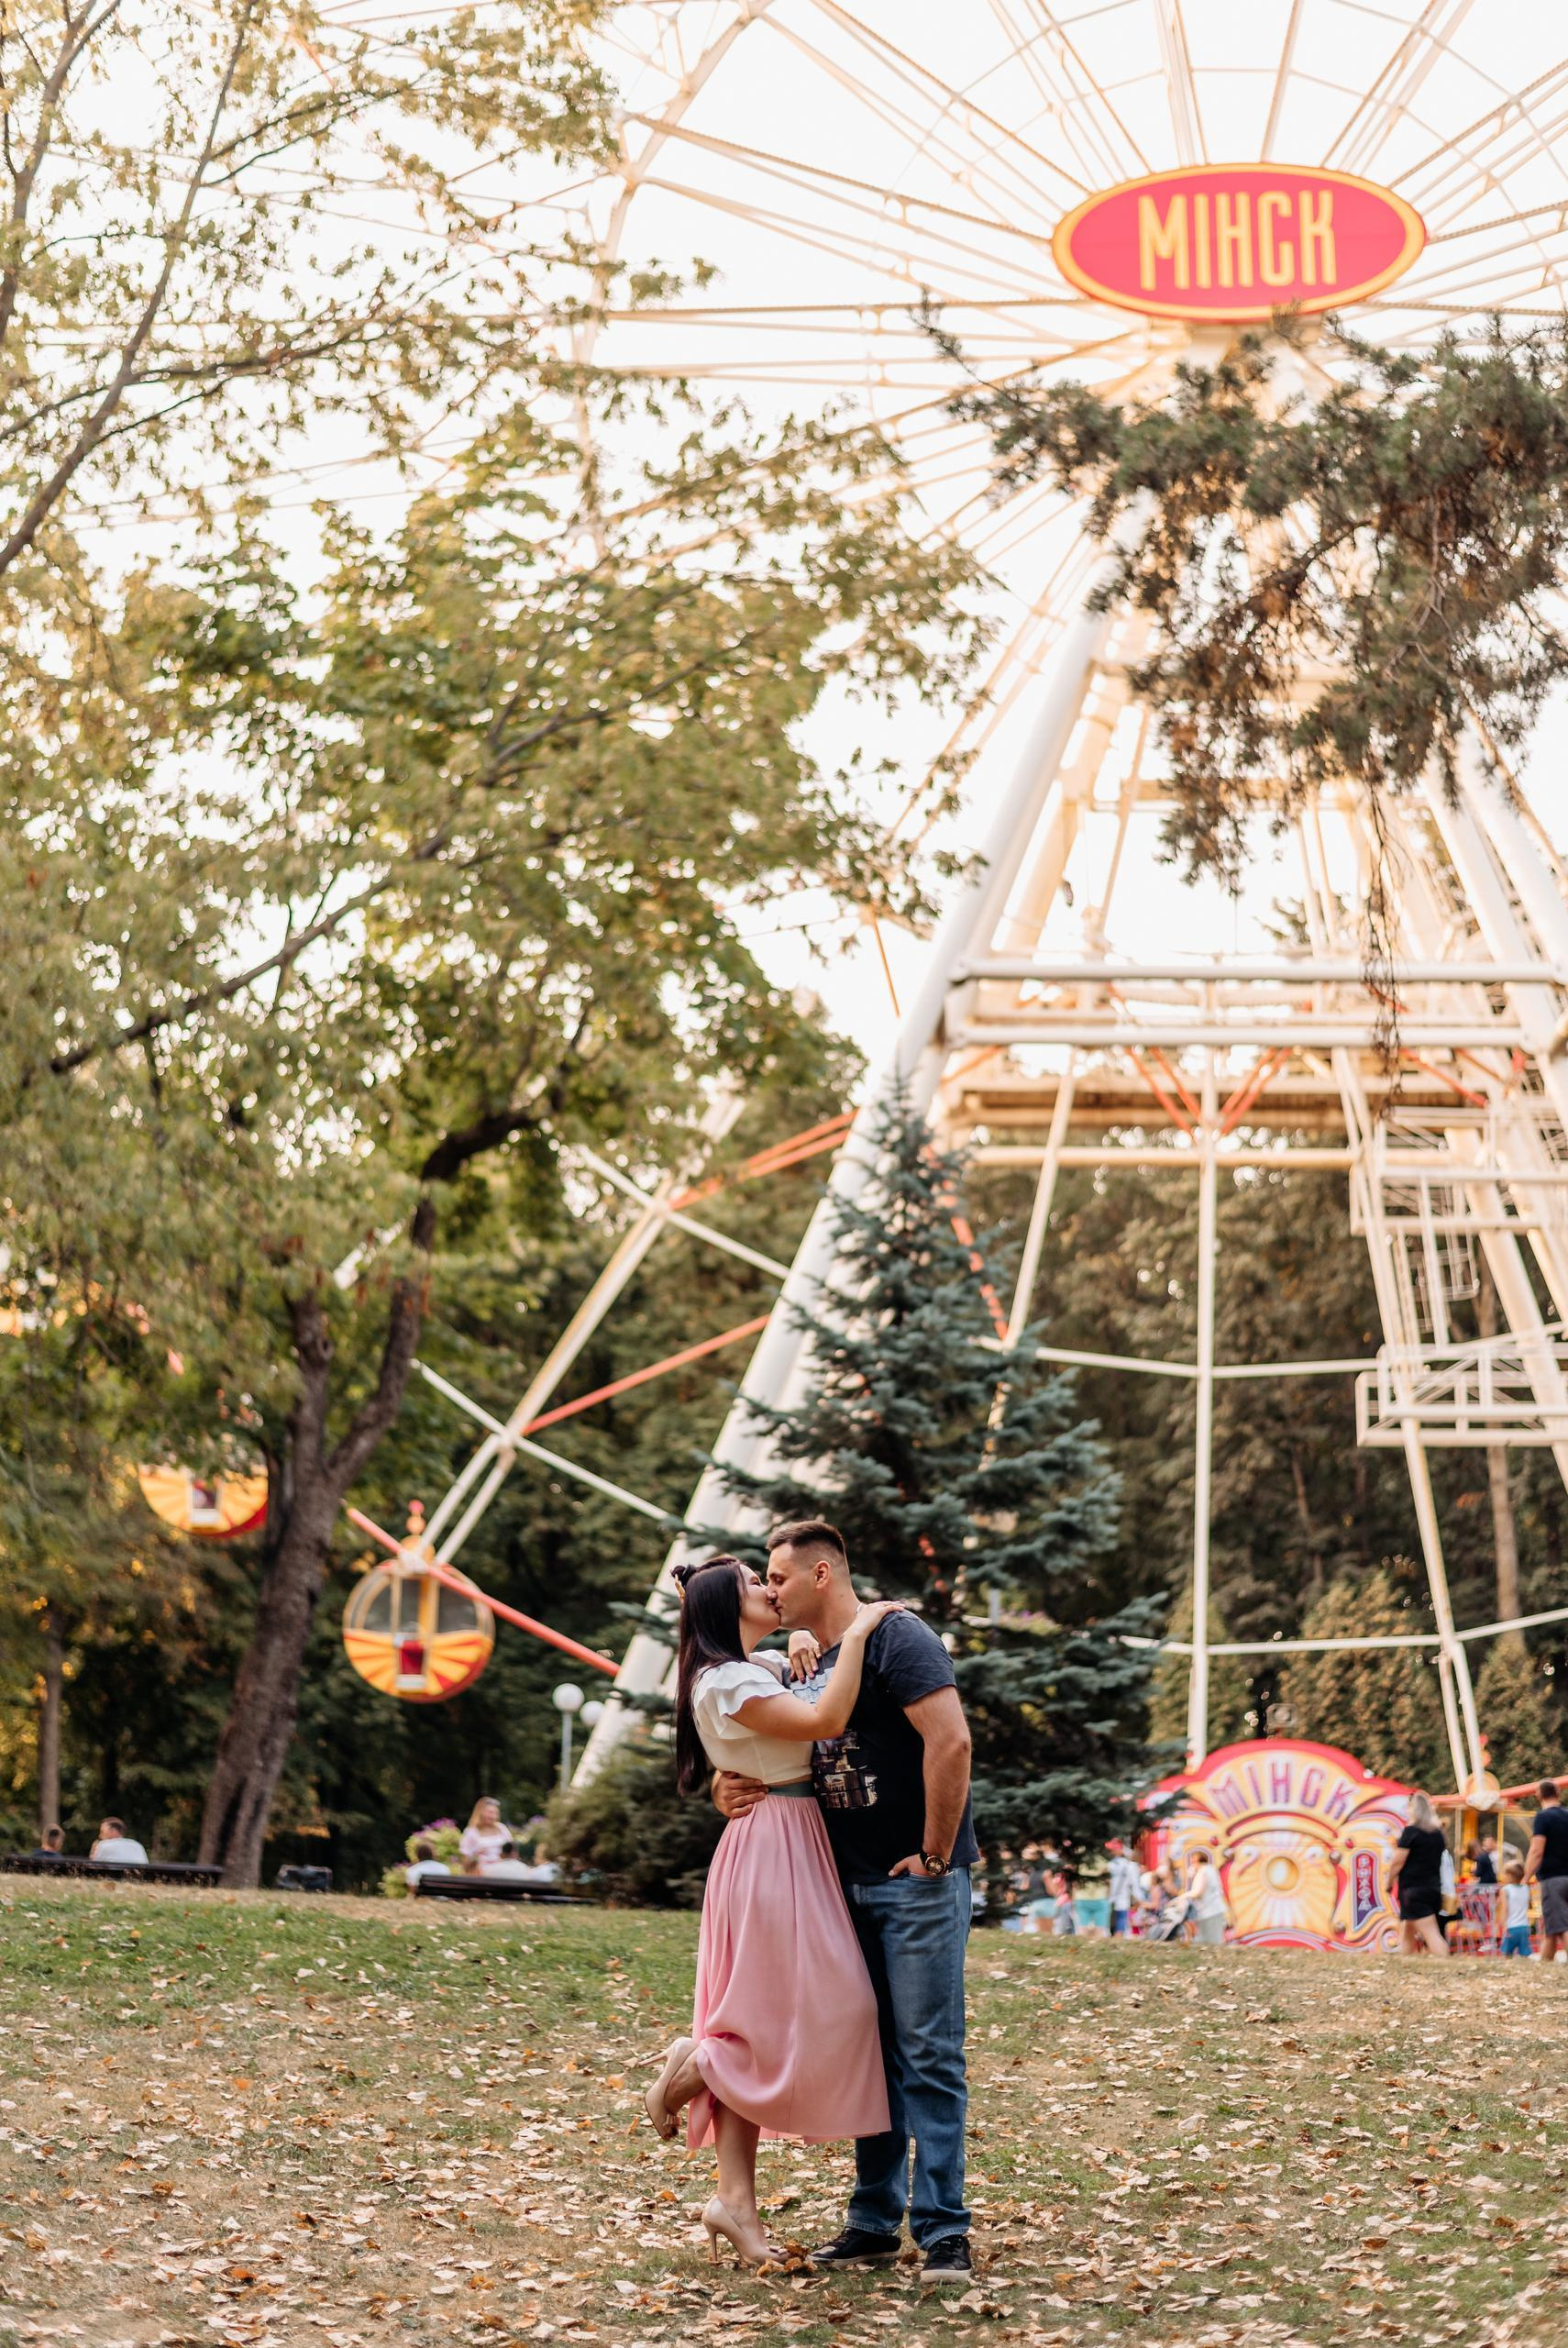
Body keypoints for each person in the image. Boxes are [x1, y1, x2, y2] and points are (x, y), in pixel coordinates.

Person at [712, 1519, 978, 2287]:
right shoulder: (798, 1661)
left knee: (928, 2055)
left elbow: (951, 1741)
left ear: (823, 1575)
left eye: (780, 1577)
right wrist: (728, 1789)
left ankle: (942, 2232)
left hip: (913, 1884)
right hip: (839, 1885)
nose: (769, 1589)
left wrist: (933, 1854)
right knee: (873, 2056)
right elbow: (757, 1745)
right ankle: (871, 2221)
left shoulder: (898, 1638)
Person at [641, 1552, 898, 2270]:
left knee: (786, 2013)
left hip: (790, 1839)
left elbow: (793, 1699)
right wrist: (862, 1630)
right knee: (835, 2006)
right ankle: (695, 2067)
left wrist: (797, 1652)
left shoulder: (742, 1673)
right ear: (729, 1608)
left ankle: (733, 2198)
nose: (770, 1588)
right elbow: (825, 1718)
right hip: (773, 1850)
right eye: (757, 1583)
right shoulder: (725, 1682)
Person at [1387, 1790, 1449, 1955]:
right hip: (1433, 1888)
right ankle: (1404, 1961)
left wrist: (1389, 1881)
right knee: (1408, 1928)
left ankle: (1447, 1963)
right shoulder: (1438, 1834)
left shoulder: (1411, 1832)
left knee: (1430, 1932)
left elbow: (1397, 1862)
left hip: (1413, 1890)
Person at [1524, 1778, 1568, 1961]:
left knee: (1562, 1925)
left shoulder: (1543, 1817)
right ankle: (1545, 1964)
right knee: (1552, 1926)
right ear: (1558, 1793)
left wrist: (1525, 1877)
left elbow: (1536, 1850)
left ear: (1538, 1795)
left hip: (1553, 1878)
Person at [458, 1797, 513, 1876]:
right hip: (481, 1873)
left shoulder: (502, 1828)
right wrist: (476, 1855)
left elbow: (511, 1849)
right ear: (480, 1812)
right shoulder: (471, 1831)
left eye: (496, 1813)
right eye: (490, 1812)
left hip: (503, 1870)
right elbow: (465, 1858)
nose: (493, 1816)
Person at [1188, 1849, 1229, 1946]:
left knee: (1210, 1942)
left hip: (1210, 1912)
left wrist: (1183, 1896)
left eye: (1192, 1862)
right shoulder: (1210, 1869)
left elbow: (1198, 1892)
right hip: (1212, 1911)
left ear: (1196, 1861)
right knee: (1210, 1941)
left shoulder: (1204, 1871)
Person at [1498, 1858, 1532, 1957]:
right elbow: (1529, 1904)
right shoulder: (1526, 1888)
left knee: (1507, 1953)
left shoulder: (1505, 1889)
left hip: (1511, 1926)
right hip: (1524, 1926)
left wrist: (1503, 1924)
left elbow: (1505, 1908)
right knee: (1524, 1953)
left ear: (1510, 1875)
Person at [1106, 1840, 1140, 1937]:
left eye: (1112, 1850)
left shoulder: (1113, 1864)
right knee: (1119, 1925)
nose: (1110, 1852)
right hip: (1119, 1900)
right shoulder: (1128, 1865)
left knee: (1118, 1925)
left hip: (1115, 1900)